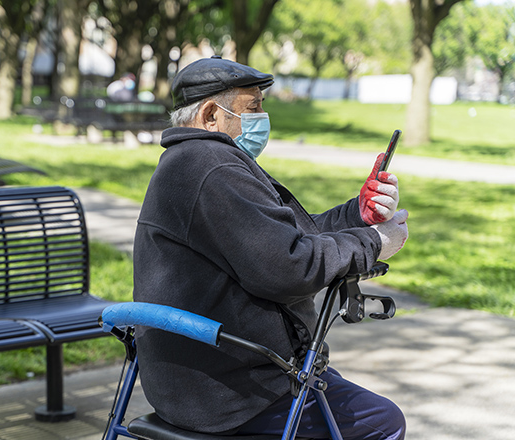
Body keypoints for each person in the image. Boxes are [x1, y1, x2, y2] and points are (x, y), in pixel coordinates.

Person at [132, 55, 408, 440]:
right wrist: (375, 242)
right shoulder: (213, 166)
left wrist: (356, 215)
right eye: (253, 107)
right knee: (382, 421)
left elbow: (284, 238)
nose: (262, 117)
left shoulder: (193, 160)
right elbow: (289, 268)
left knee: (334, 386)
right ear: (211, 115)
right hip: (230, 395)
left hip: (197, 382)